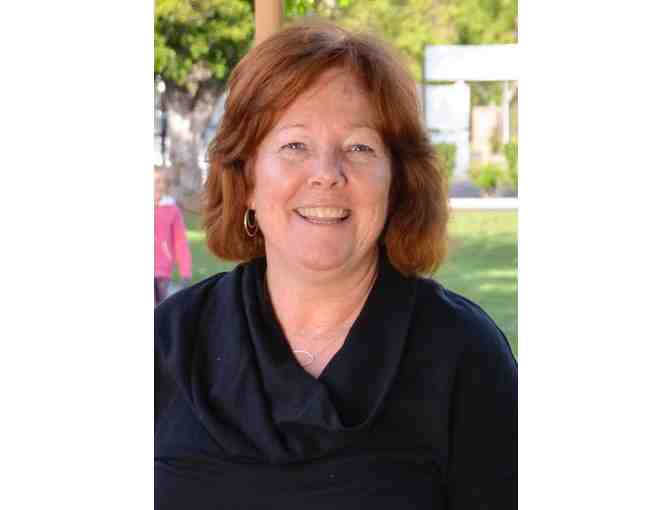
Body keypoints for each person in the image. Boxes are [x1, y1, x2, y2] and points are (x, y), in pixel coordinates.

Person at [155, 21, 517, 509]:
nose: (326, 174)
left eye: (359, 148)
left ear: (397, 182)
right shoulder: (170, 342)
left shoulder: (465, 354)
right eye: (295, 146)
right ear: (246, 179)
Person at [154, 167, 192, 306]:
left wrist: (185, 271)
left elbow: (180, 241)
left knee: (159, 310)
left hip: (162, 271)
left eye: (163, 182)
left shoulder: (172, 209)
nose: (159, 185)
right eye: (156, 181)